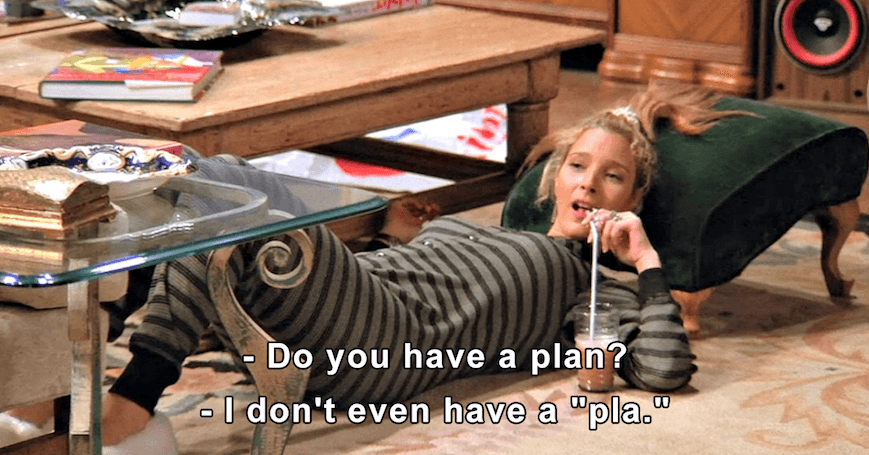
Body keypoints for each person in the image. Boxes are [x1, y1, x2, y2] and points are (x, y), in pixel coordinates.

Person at [2, 81, 746, 453]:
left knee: (217, 183)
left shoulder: (586, 287)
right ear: (552, 180)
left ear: (631, 200)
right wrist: (393, 240)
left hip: (383, 349)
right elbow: (413, 279)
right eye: (578, 165)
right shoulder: (480, 230)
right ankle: (75, 374)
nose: (590, 184)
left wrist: (646, 263)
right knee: (204, 197)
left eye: (613, 177)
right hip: (354, 305)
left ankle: (131, 401)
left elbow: (662, 369)